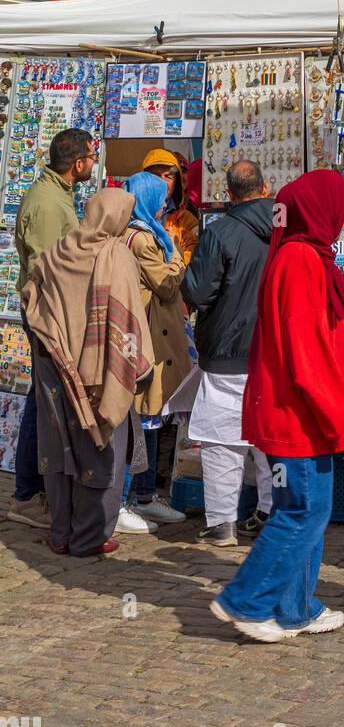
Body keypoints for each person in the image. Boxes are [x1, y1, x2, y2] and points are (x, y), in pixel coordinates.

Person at [210, 170, 344, 643]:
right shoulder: (300, 259)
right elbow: (305, 349)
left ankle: (296, 607)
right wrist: (335, 409)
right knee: (302, 511)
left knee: (306, 510)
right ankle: (247, 601)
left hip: (299, 409)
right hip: (297, 411)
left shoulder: (304, 253)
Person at [21, 188, 154, 557]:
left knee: (59, 448)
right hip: (100, 373)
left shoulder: (57, 252)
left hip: (55, 367)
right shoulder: (116, 254)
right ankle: (89, 537)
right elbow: (128, 319)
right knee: (102, 446)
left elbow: (32, 299)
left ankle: (60, 533)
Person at [7, 128, 97, 529]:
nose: (93, 164)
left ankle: (38, 488)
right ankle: (27, 494)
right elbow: (46, 270)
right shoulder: (46, 203)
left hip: (54, 310)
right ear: (78, 163)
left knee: (45, 398)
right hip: (46, 312)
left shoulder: (58, 195)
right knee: (41, 400)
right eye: (91, 157)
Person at [182, 160, 275, 546]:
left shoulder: (220, 233)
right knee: (270, 439)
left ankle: (222, 523)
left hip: (227, 349)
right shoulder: (288, 231)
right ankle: (271, 512)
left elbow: (198, 292)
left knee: (223, 439)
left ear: (230, 194)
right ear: (266, 188)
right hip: (274, 352)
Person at [113, 171, 191, 534]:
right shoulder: (143, 239)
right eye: (160, 197)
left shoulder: (135, 232)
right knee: (142, 418)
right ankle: (126, 500)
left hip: (147, 333)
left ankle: (143, 497)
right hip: (147, 335)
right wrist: (177, 256)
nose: (165, 204)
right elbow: (167, 284)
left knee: (151, 415)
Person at [140, 148, 199, 264]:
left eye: (168, 176)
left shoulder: (187, 221)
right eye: (156, 175)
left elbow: (195, 260)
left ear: (176, 182)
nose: (162, 182)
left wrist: (175, 249)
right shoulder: (129, 213)